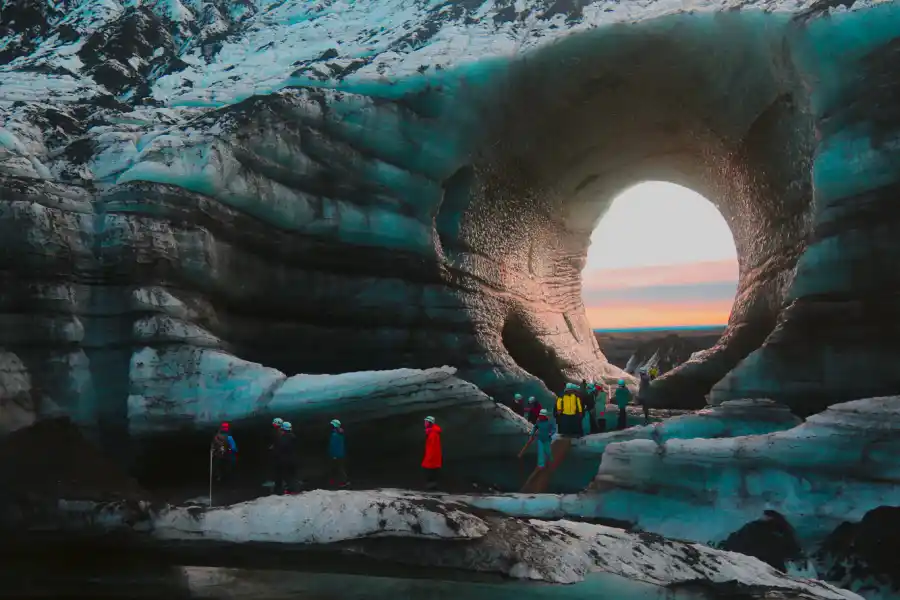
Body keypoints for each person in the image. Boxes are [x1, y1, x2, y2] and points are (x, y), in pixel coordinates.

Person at [273, 421, 298, 494]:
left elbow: (280, 449)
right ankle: (293, 489)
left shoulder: (283, 439)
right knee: (292, 476)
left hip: (285, 460)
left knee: (286, 475)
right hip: (292, 458)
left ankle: (289, 490)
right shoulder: (293, 437)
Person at [422, 416, 442, 490]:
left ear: (430, 423)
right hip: (433, 457)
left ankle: (431, 488)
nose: (425, 423)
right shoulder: (432, 432)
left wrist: (429, 457)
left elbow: (432, 447)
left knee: (430, 473)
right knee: (432, 473)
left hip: (432, 457)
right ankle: (432, 487)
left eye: (426, 422)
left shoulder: (433, 434)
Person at [263, 417, 283, 488]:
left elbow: (279, 442)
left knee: (278, 467)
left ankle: (279, 482)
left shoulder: (279, 432)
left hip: (279, 453)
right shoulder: (281, 431)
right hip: (281, 452)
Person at [328, 419, 349, 488]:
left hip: (336, 455)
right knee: (340, 468)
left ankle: (340, 482)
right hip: (341, 454)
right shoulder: (341, 433)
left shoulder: (335, 434)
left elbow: (333, 445)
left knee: (337, 469)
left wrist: (333, 455)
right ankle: (342, 481)